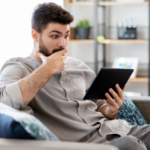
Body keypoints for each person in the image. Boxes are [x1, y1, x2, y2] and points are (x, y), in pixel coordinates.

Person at [0, 2, 149, 150]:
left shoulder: (79, 66)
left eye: (66, 35)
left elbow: (99, 106)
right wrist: (47, 68)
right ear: (35, 35)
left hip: (119, 130)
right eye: (55, 36)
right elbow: (4, 100)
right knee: (132, 146)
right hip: (93, 145)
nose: (63, 44)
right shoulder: (18, 67)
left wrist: (111, 111)